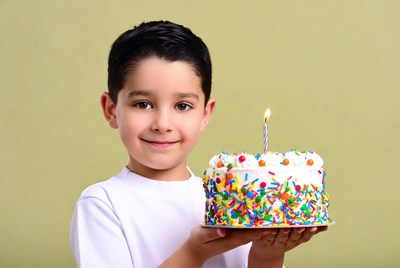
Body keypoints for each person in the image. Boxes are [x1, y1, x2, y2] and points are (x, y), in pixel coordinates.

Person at [70, 20, 327, 268]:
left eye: (182, 106)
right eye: (143, 104)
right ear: (111, 109)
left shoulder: (235, 200)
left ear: (205, 114)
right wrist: (194, 253)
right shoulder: (102, 204)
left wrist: (268, 255)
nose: (162, 123)